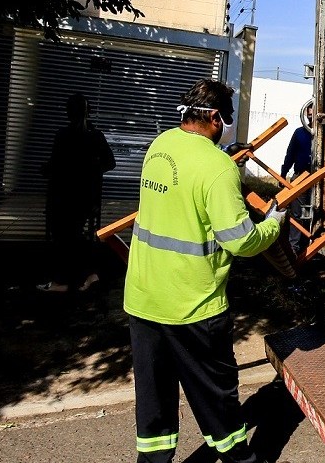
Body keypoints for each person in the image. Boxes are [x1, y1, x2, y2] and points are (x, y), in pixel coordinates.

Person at [124, 79, 286, 463]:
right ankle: (238, 459)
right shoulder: (216, 169)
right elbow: (240, 240)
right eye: (225, 120)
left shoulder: (160, 146)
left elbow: (185, 190)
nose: (226, 126)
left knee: (154, 396)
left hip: (144, 298)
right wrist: (274, 222)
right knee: (216, 393)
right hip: (192, 305)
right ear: (214, 117)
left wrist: (224, 158)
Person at [37, 93, 116, 293]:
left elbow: (55, 165)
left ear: (68, 112)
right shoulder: (95, 135)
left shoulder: (63, 135)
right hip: (86, 197)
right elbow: (110, 163)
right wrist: (91, 171)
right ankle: (88, 275)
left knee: (64, 236)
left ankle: (65, 280)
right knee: (76, 234)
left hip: (64, 196)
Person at [279, 103, 314, 250]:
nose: (310, 113)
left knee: (314, 213)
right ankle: (294, 248)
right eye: (309, 110)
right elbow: (290, 155)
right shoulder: (300, 133)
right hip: (301, 177)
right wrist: (283, 174)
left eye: (313, 109)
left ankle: (311, 243)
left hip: (321, 177)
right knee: (297, 213)